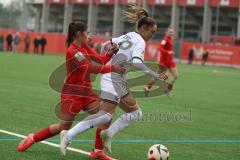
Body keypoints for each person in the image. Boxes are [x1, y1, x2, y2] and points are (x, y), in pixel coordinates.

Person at [59, 4, 167, 156]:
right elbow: (136, 62)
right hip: (113, 79)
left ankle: (108, 134)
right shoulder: (140, 41)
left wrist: (107, 59)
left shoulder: (128, 35)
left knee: (136, 113)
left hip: (116, 79)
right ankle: (68, 135)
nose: (152, 35)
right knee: (104, 116)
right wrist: (153, 74)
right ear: (143, 28)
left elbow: (105, 44)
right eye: (152, 32)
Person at [17, 22, 125, 160]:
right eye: (87, 33)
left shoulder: (84, 46)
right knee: (63, 126)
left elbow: (100, 61)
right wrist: (113, 68)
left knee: (105, 116)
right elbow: (89, 68)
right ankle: (33, 138)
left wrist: (110, 54)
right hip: (72, 94)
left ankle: (97, 151)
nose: (89, 35)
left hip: (86, 93)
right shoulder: (72, 51)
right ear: (79, 34)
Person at [144, 27, 178, 96]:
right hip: (164, 62)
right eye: (170, 32)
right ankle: (147, 86)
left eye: (172, 32)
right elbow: (160, 48)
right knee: (158, 76)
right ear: (166, 32)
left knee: (176, 76)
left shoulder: (170, 39)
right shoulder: (165, 39)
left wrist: (170, 53)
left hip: (170, 61)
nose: (171, 33)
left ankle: (167, 89)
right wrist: (168, 52)